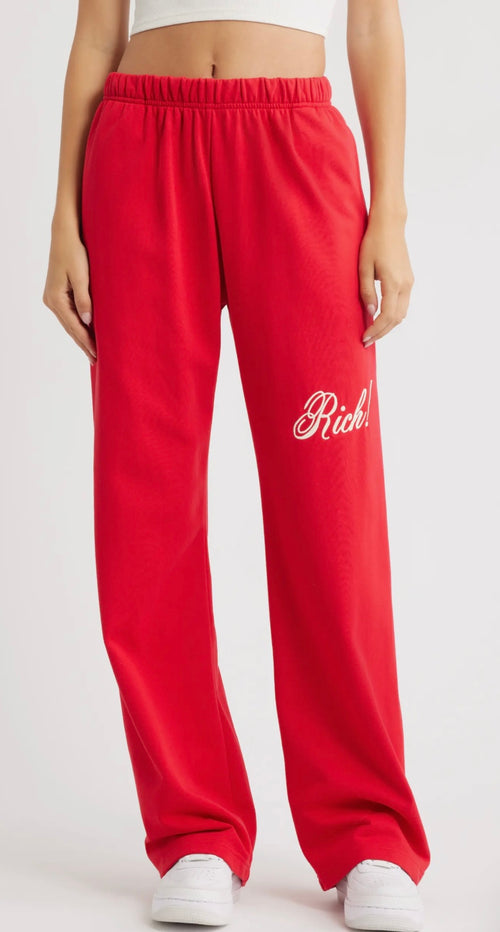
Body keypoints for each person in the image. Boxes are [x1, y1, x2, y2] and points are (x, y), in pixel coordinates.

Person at [42, 1, 431, 929]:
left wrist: (389, 208)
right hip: (139, 151)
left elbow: (372, 24)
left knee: (331, 516)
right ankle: (196, 830)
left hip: (297, 149)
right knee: (144, 512)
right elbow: (97, 30)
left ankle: (367, 831)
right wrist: (63, 216)